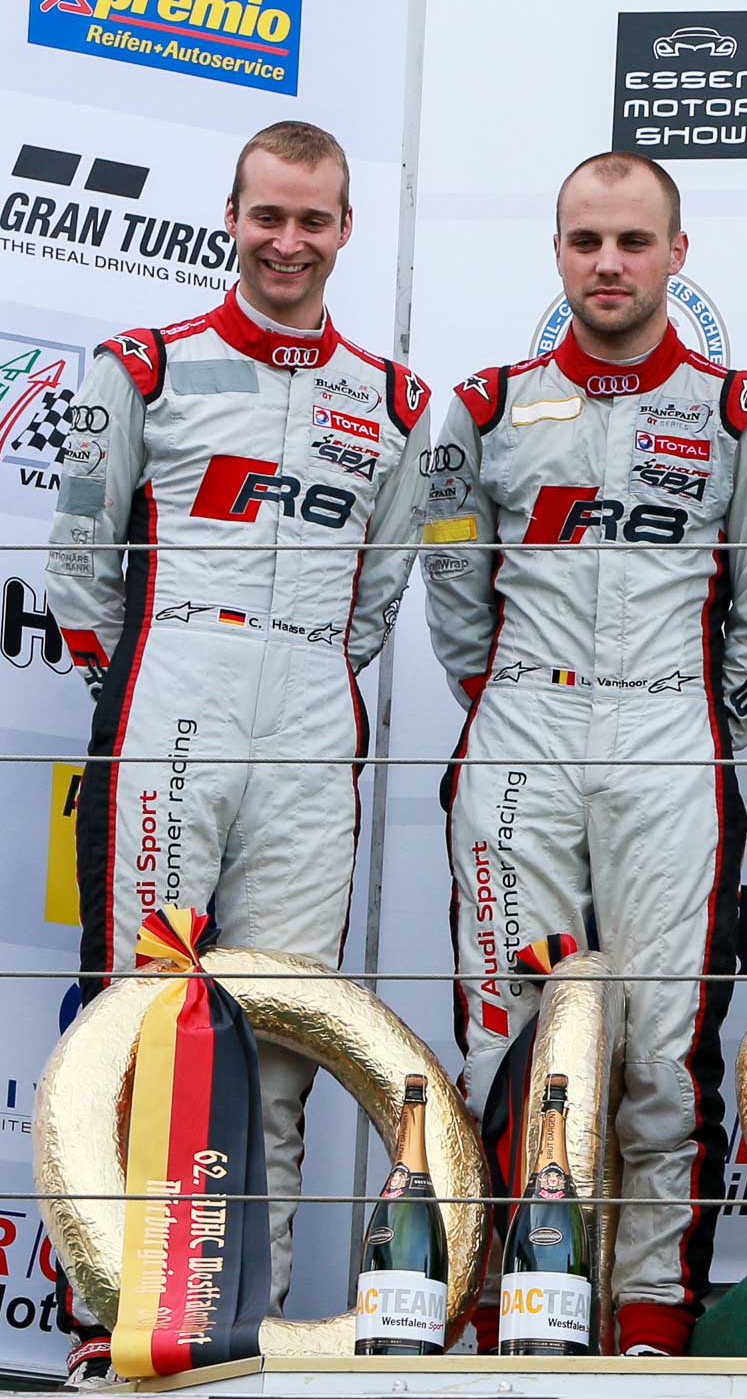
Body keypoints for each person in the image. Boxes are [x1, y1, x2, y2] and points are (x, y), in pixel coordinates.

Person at [44, 121, 429, 1383]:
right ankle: (111, 1317)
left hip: (313, 716)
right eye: (269, 215)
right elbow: (80, 571)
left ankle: (237, 1330)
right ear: (232, 215)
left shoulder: (396, 401)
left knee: (283, 1037)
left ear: (346, 227)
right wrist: (151, 685)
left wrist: (304, 672)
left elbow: (379, 594)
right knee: (137, 1012)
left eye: (313, 219)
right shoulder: (144, 365)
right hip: (175, 703)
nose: (289, 242)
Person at [423, 153, 747, 1356]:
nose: (609, 263)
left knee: (661, 1045)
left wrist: (704, 722)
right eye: (586, 240)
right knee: (507, 1036)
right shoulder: (482, 408)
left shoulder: (740, 411)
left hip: (667, 736)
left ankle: (649, 1309)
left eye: (633, 242)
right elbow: (453, 583)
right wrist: (503, 699)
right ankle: (503, 1299)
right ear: (557, 252)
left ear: (676, 256)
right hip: (521, 732)